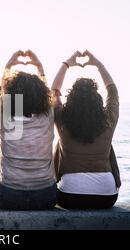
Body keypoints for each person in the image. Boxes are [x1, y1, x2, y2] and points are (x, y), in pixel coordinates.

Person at [51, 50, 121, 209]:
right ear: (97, 99)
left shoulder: (62, 119)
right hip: (107, 197)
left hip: (69, 197)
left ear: (71, 98)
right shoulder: (108, 120)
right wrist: (98, 65)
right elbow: (113, 92)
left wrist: (67, 64)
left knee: (59, 143)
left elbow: (54, 92)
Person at [0, 50, 57, 210]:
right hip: (45, 195)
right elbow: (49, 94)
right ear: (43, 95)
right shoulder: (48, 114)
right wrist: (39, 67)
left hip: (9, 195)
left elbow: (2, 89)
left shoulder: (4, 111)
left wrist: (9, 64)